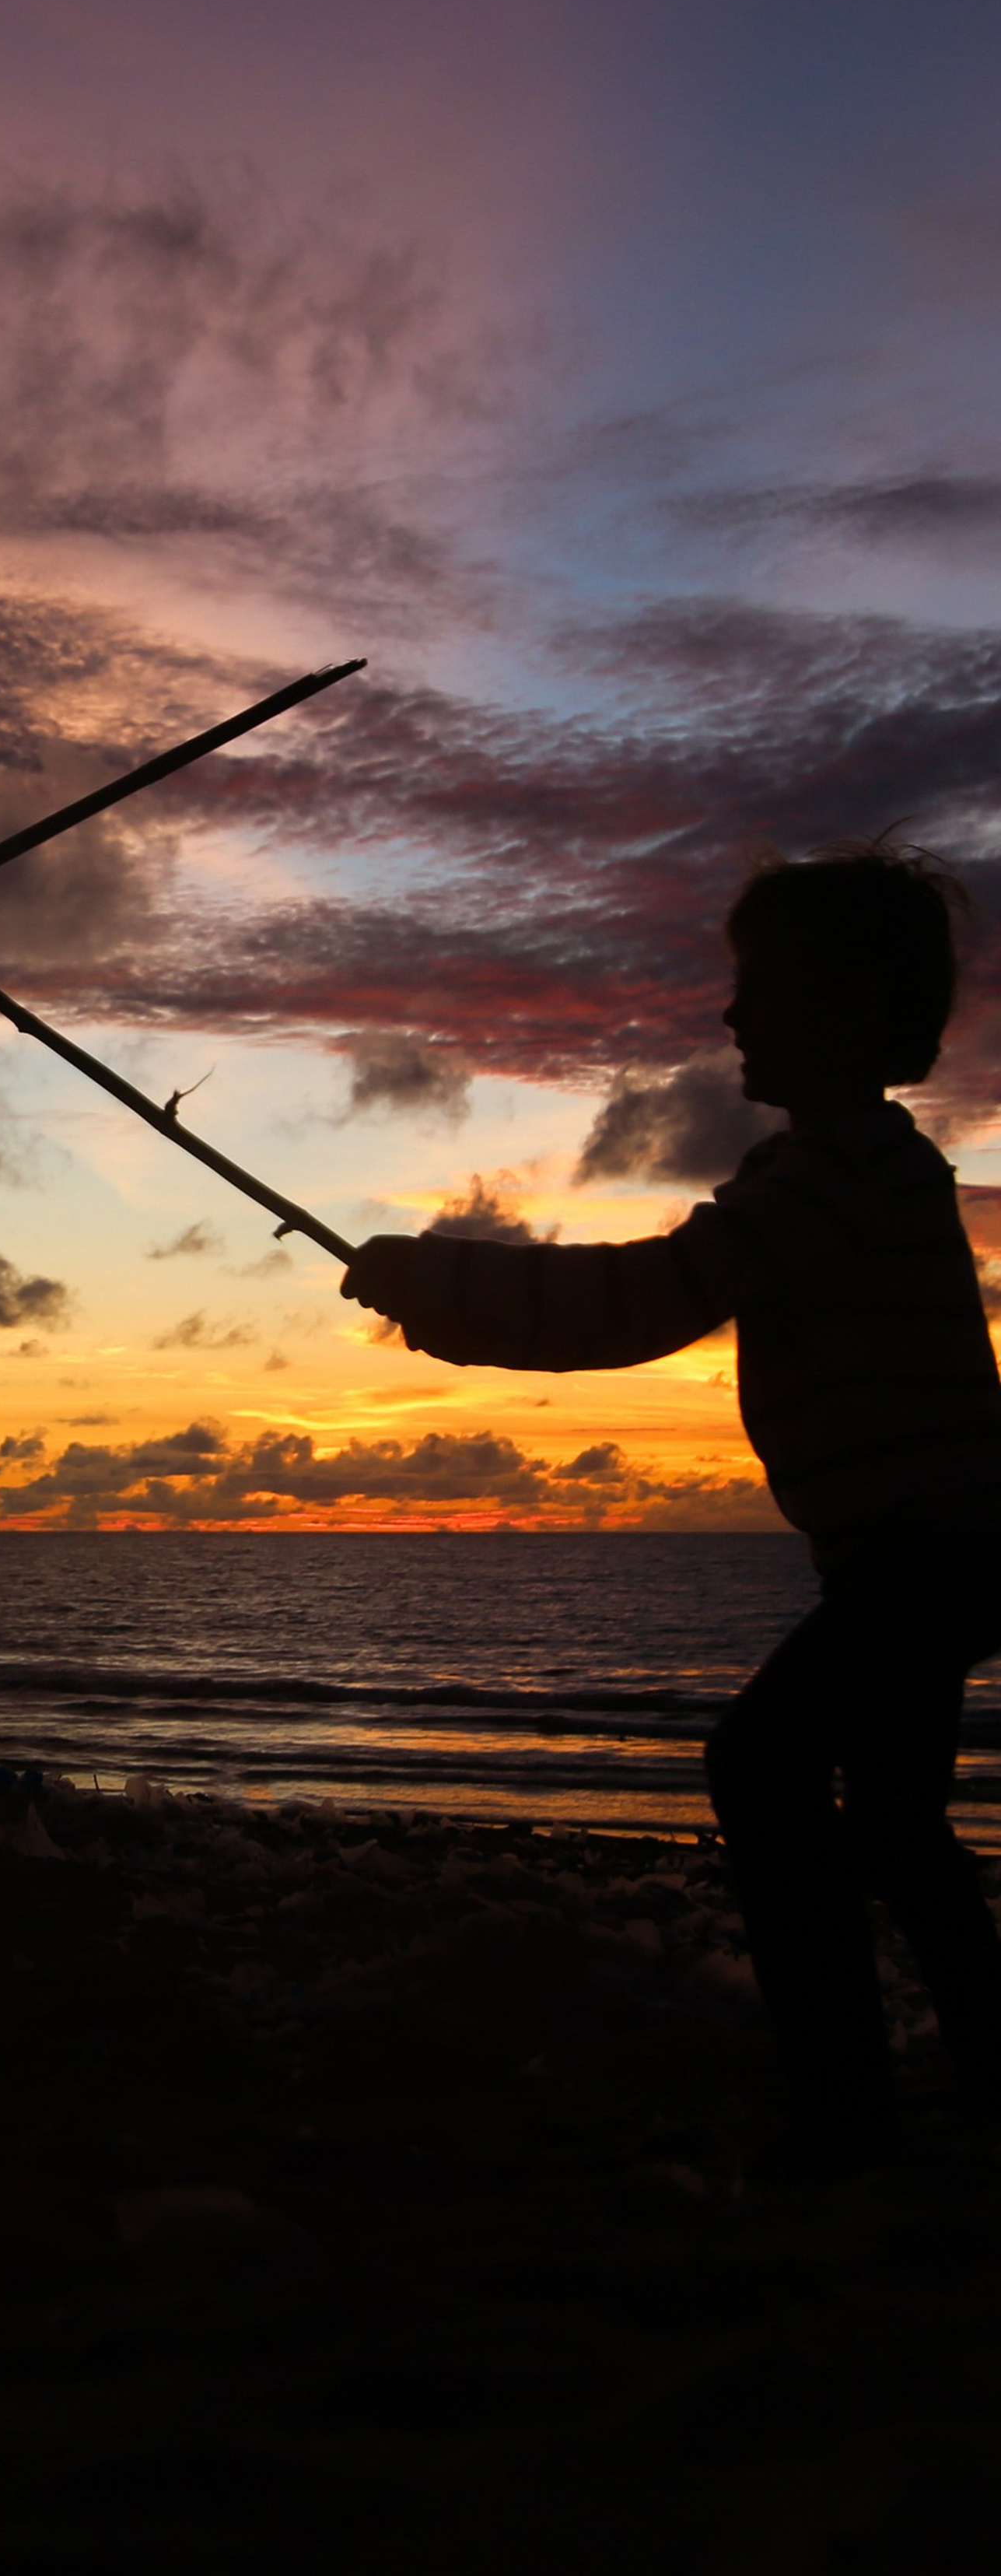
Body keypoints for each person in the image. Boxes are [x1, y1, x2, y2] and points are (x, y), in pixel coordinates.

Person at [341, 842, 1001, 2176]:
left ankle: (843, 2113)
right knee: (891, 1821)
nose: (732, 1014)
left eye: (762, 987)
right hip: (918, 1557)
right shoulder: (844, 1171)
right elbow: (655, 1295)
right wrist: (444, 1303)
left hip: (924, 1559)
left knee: (758, 1770)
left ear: (853, 1005)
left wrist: (437, 1290)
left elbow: (641, 1304)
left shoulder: (842, 1178)